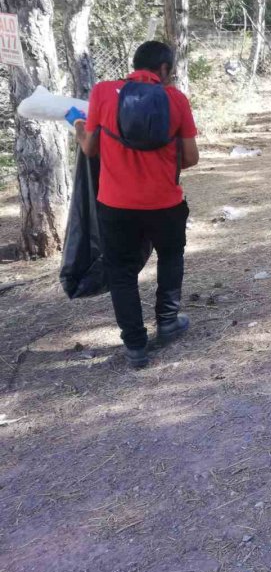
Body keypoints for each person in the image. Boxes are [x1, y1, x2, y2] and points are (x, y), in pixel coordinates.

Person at [68, 41, 200, 369]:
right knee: (170, 256)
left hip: (115, 205)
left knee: (121, 272)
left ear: (134, 64)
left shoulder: (102, 92)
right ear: (165, 69)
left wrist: (79, 127)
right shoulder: (176, 99)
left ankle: (135, 346)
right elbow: (191, 157)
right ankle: (168, 322)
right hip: (165, 202)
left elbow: (91, 150)